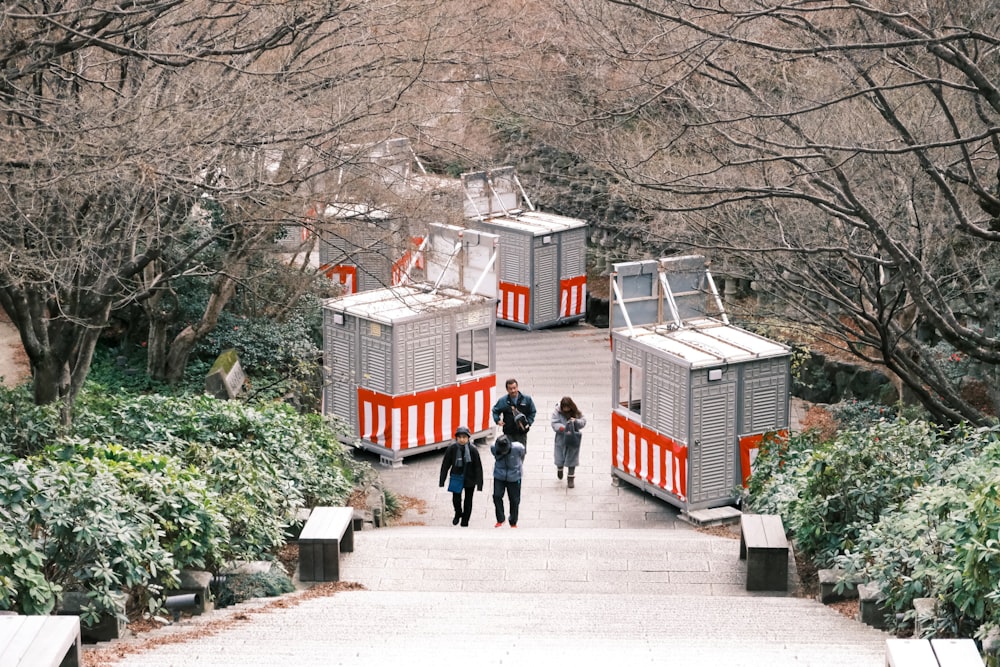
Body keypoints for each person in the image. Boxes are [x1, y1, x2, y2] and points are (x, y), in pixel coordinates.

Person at [438, 426, 483, 527]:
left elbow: (478, 467)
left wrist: (479, 483)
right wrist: (442, 480)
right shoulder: (452, 449)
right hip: (456, 476)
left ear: (468, 438)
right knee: (456, 499)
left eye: (464, 437)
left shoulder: (473, 450)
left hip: (470, 478)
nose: (462, 439)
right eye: (460, 437)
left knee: (468, 500)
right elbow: (445, 465)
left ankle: (465, 520)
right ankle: (458, 513)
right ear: (456, 438)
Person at [551, 396, 587, 488]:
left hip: (573, 437)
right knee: (559, 455)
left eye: (568, 407)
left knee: (572, 456)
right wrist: (563, 428)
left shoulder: (576, 412)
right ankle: (560, 468)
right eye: (564, 407)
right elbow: (554, 423)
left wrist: (575, 421)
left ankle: (570, 478)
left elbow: (583, 421)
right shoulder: (557, 412)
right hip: (561, 437)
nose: (566, 409)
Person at [490, 433, 525, 528]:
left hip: (514, 476)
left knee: (514, 500)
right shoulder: (494, 448)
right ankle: (500, 519)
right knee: (496, 496)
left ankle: (513, 521)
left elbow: (522, 455)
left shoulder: (518, 447)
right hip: (499, 475)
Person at [491, 378, 536, 450]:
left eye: (514, 388)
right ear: (507, 390)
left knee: (521, 452)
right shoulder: (503, 401)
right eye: (510, 389)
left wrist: (528, 423)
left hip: (521, 433)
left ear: (517, 387)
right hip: (508, 432)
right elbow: (495, 410)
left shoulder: (526, 399)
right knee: (508, 452)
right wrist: (497, 420)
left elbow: (532, 411)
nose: (513, 391)